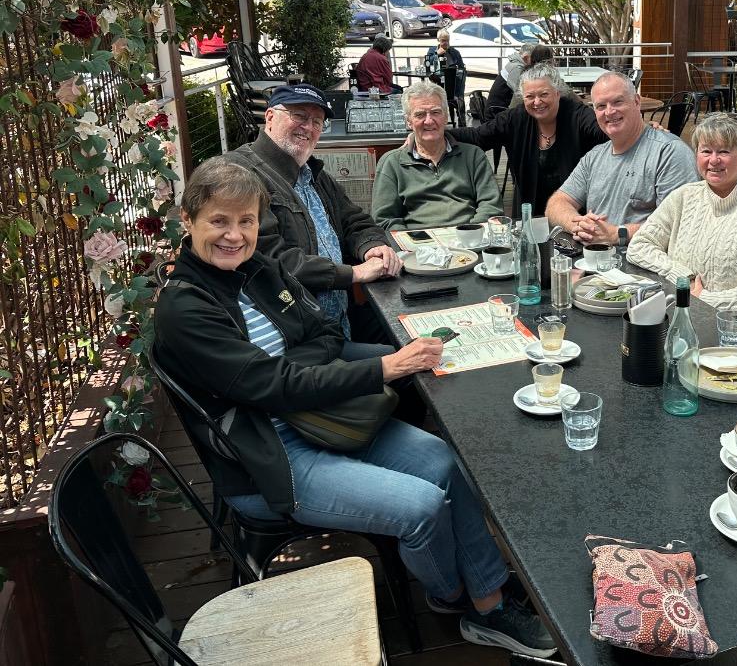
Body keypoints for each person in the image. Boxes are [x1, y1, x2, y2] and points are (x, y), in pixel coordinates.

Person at [153, 157, 556, 659]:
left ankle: (483, 594)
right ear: (187, 222)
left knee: (445, 462)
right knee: (423, 507)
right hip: (270, 458)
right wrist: (383, 368)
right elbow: (273, 385)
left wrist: (303, 373)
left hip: (324, 418)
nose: (235, 235)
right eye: (219, 221)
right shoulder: (185, 308)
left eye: (247, 221)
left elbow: (320, 331)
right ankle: (471, 600)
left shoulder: (258, 269)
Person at [225, 84, 399, 341]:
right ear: (270, 117)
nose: (309, 127)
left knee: (425, 333)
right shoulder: (239, 175)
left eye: (317, 122)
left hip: (340, 320)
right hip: (296, 333)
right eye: (300, 116)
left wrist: (372, 247)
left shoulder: (312, 173)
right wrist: (354, 274)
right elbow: (269, 259)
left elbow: (355, 220)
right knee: (412, 365)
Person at [627, 114, 737, 343]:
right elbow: (638, 246)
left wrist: (707, 301)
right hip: (686, 324)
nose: (714, 160)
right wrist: (682, 279)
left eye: (724, 151)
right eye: (706, 151)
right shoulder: (684, 197)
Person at [546, 72, 697, 248]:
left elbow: (679, 224)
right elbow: (556, 203)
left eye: (618, 102)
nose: (609, 112)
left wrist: (617, 234)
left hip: (645, 268)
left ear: (636, 102)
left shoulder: (669, 152)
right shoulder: (594, 156)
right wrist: (578, 225)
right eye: (601, 106)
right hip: (595, 262)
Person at [448, 64, 607, 217]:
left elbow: (605, 133)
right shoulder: (515, 118)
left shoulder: (577, 115)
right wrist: (437, 132)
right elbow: (478, 136)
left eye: (544, 94)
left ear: (557, 93)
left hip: (576, 213)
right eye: (530, 96)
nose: (537, 102)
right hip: (529, 213)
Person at [371, 80, 502, 230]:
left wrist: (469, 235)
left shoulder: (473, 156)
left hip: (469, 240)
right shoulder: (391, 163)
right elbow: (384, 219)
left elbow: (491, 207)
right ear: (408, 121)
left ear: (446, 117)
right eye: (420, 114)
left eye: (435, 112)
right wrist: (414, 243)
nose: (428, 121)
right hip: (416, 246)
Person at [487, 43, 553, 112]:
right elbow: (522, 95)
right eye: (533, 58)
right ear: (526, 57)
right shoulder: (516, 69)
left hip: (501, 109)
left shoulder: (515, 64)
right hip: (497, 113)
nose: (535, 61)